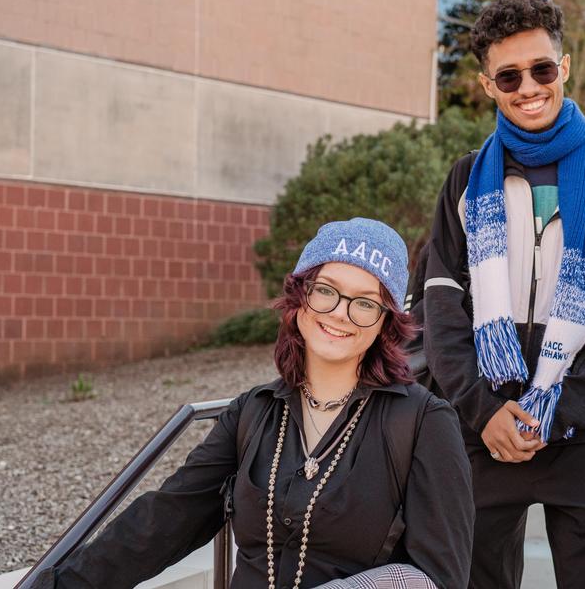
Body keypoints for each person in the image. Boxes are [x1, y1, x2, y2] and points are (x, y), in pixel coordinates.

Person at [37, 218, 474, 589]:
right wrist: (62, 583)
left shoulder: (423, 422)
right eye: (326, 291)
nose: (340, 313)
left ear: (384, 324)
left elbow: (439, 576)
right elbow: (168, 518)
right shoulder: (253, 412)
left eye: (364, 303)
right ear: (300, 298)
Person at [407, 0, 585, 587]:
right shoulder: (466, 180)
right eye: (509, 75)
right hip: (482, 430)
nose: (529, 87)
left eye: (541, 69)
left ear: (563, 68)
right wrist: (483, 410)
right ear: (487, 84)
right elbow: (441, 307)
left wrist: (562, 412)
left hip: (583, 430)